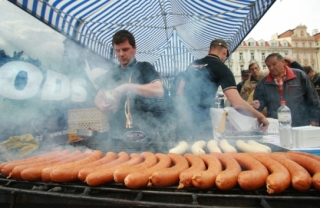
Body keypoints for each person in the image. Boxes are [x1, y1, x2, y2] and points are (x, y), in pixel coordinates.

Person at [173, 39, 269, 141]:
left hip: (182, 118)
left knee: (184, 153)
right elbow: (237, 104)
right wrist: (260, 116)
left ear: (209, 51)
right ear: (225, 51)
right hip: (201, 120)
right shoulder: (221, 68)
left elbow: (179, 93)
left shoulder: (193, 64)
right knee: (203, 154)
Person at [94, 30, 168, 150]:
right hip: (117, 135)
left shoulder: (145, 67)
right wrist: (101, 105)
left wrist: (127, 86)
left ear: (134, 48)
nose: (121, 54)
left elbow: (158, 91)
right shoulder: (112, 73)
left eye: (125, 49)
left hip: (145, 135)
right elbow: (98, 97)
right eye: (117, 50)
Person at [252, 53, 320, 127]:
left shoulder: (300, 75)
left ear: (283, 62)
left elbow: (313, 98)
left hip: (301, 122)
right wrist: (258, 104)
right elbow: (260, 101)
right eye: (268, 66)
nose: (271, 68)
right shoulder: (263, 83)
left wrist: (315, 118)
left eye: (274, 64)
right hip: (277, 124)